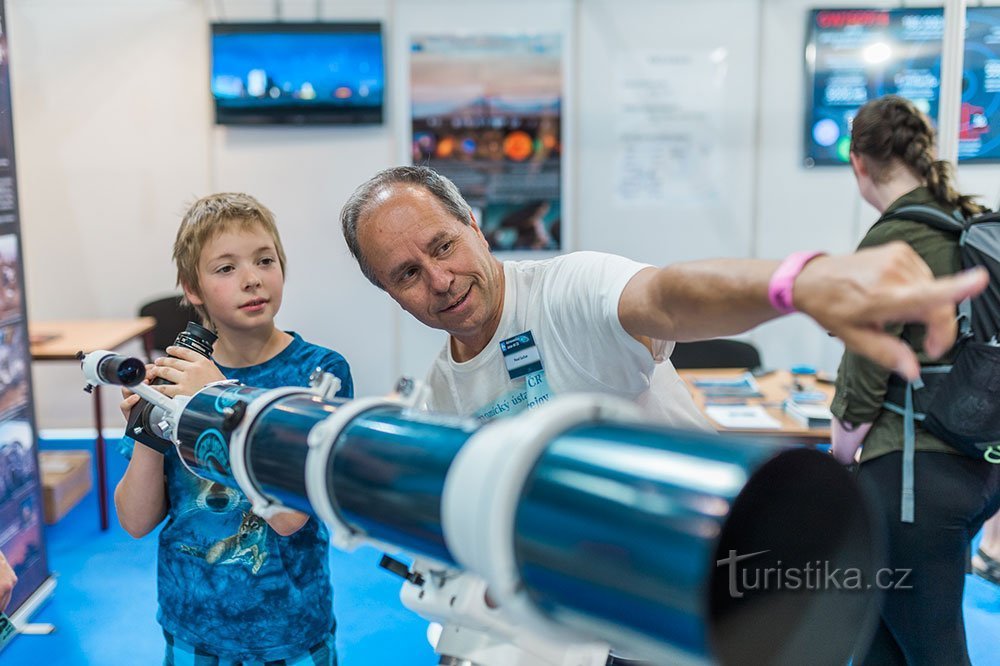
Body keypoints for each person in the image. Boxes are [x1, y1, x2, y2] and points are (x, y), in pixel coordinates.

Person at [115, 192, 352, 665]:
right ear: (193, 288)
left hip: (289, 627)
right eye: (226, 268)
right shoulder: (177, 378)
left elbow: (289, 518)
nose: (252, 279)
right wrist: (150, 420)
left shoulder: (318, 373)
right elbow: (136, 520)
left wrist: (221, 397)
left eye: (265, 260)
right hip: (192, 625)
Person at [829, 95, 1000, 666]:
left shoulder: (890, 242)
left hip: (910, 482)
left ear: (860, 164)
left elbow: (860, 384)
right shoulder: (966, 223)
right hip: (977, 467)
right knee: (876, 648)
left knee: (934, 653)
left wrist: (840, 453)